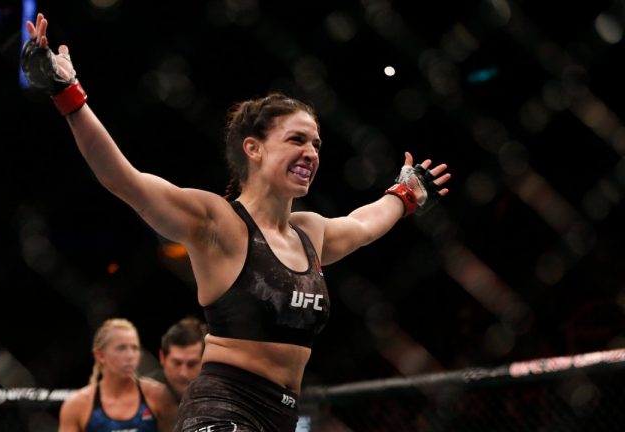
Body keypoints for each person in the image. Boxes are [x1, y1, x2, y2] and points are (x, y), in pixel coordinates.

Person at [22, 13, 451, 431]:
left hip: (282, 415)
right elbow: (124, 179)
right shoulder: (218, 223)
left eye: (317, 143)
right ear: (254, 148)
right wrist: (69, 96)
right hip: (223, 410)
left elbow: (364, 223)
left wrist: (405, 194)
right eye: (296, 139)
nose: (312, 152)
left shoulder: (310, 232)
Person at [57, 318, 177, 432]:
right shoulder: (78, 405)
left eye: (135, 348)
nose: (130, 356)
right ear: (101, 356)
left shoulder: (158, 395)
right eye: (121, 348)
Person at [151, 317, 207, 403]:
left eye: (191, 364)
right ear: (162, 357)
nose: (183, 373)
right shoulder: (143, 394)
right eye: (177, 363)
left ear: (205, 361)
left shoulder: (220, 393)